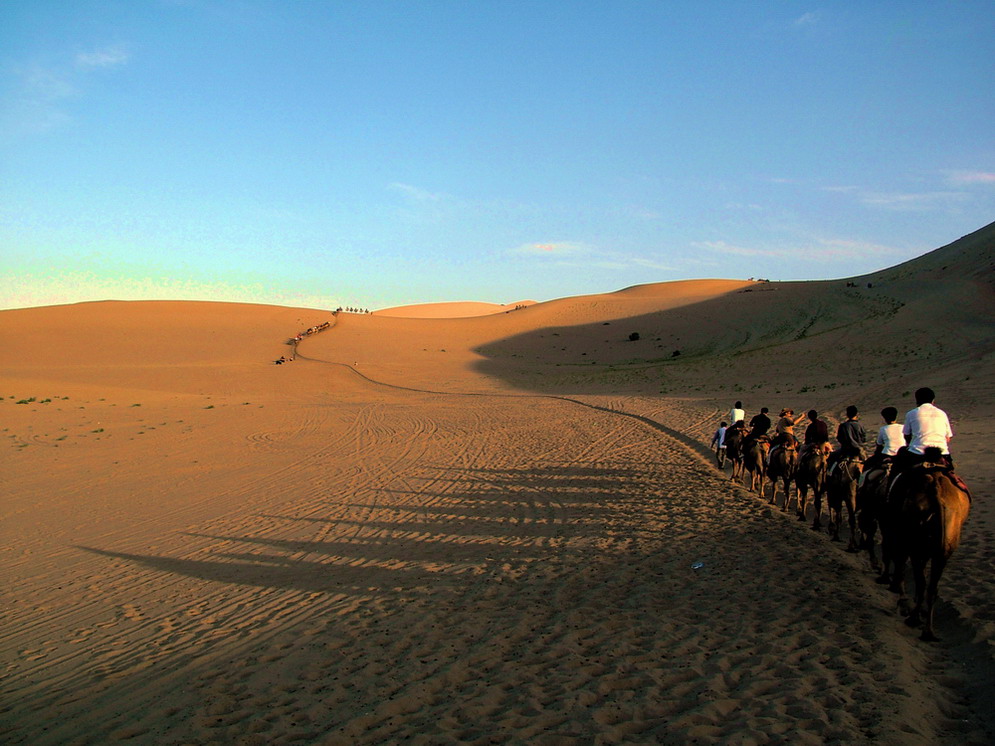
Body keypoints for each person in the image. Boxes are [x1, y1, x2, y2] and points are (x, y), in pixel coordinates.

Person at [897, 387, 954, 470]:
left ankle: (892, 482)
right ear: (933, 400)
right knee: (953, 476)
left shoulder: (911, 413)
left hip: (918, 453)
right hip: (942, 453)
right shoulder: (942, 413)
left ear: (917, 400)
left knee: (899, 470)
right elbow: (948, 438)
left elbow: (906, 435)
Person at [828, 405, 866, 473]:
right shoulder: (860, 425)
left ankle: (829, 474)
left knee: (831, 457)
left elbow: (839, 438)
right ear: (857, 414)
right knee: (867, 464)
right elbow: (863, 439)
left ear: (847, 414)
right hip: (859, 450)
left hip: (846, 450)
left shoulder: (843, 426)